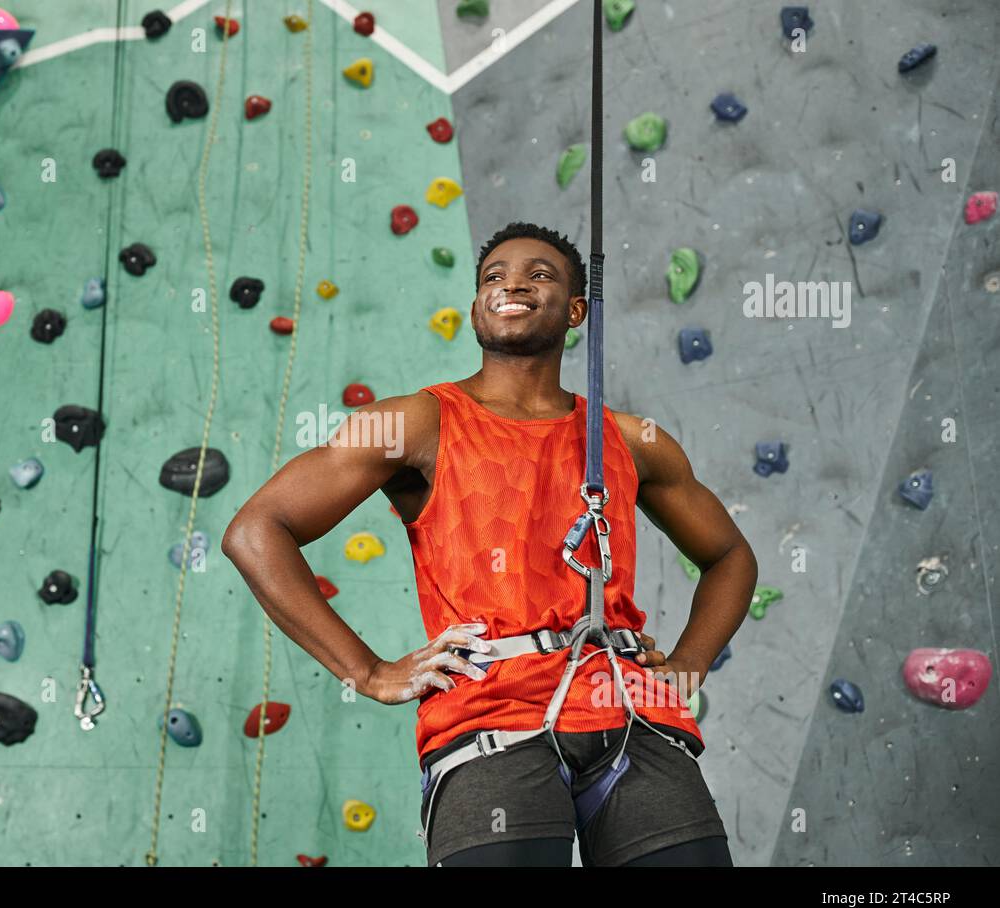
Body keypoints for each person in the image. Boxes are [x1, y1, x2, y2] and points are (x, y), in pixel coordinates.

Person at [222, 221, 758, 866]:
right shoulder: (420, 421)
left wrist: (686, 668)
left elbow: (729, 556)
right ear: (478, 305)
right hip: (491, 723)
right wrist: (367, 671)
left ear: (577, 310)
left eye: (540, 275)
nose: (512, 285)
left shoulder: (630, 438)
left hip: (631, 715)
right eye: (494, 277)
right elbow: (257, 531)